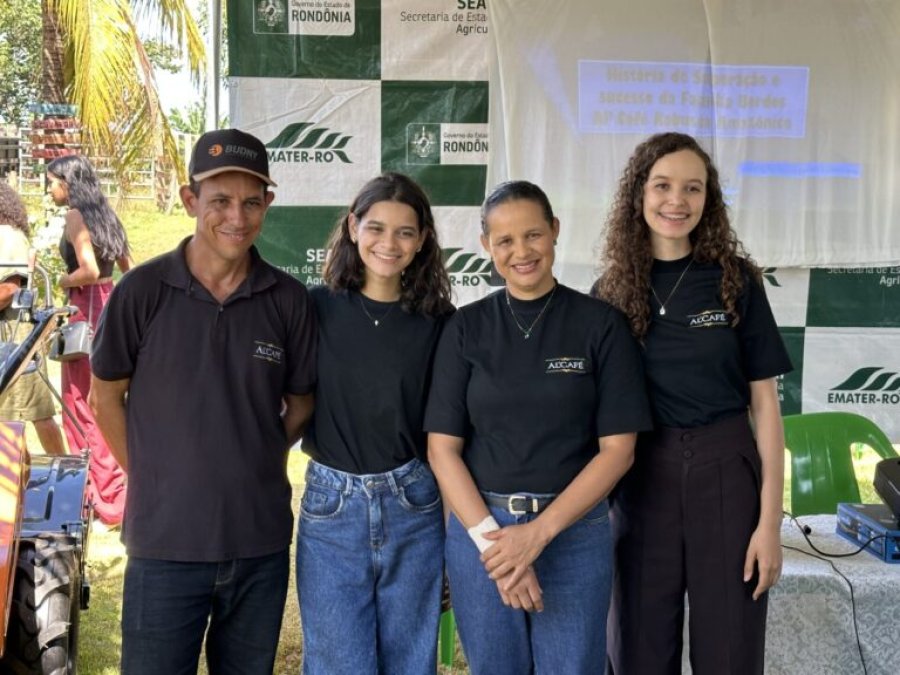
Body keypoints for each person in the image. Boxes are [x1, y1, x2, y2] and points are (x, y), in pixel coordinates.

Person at [88, 128, 317, 675]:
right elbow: (105, 399)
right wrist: (154, 473)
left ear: (268, 205)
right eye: (219, 200)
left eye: (251, 202)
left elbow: (302, 402)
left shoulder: (288, 300)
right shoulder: (140, 292)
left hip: (258, 544)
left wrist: (253, 449)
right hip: (164, 544)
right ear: (191, 201)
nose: (236, 217)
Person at [424, 180, 652, 674]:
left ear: (554, 232)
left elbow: (619, 450)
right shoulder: (464, 328)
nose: (521, 252)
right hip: (483, 535)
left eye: (533, 235)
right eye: (504, 241)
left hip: (573, 534)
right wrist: (498, 547)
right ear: (486, 246)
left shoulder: (600, 325)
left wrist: (538, 535)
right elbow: (442, 449)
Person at [594, 132, 792, 675]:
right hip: (639, 483)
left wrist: (769, 524)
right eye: (662, 186)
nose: (676, 201)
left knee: (729, 650)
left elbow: (767, 408)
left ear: (709, 200)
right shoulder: (608, 293)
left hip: (726, 473)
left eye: (692, 188)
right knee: (636, 648)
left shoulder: (735, 282)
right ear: (639, 194)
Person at [296, 172, 454, 674]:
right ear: (352, 227)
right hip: (331, 506)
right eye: (376, 228)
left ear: (423, 239)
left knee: (410, 661)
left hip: (414, 504)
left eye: (405, 232)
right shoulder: (315, 307)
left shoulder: (439, 321)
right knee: (338, 661)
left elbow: (447, 438)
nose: (389, 243)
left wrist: (454, 535)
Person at [46, 155, 130, 524]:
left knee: (82, 404)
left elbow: (89, 270)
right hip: (111, 307)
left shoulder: (76, 217)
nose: (50, 189)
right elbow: (130, 268)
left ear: (68, 182)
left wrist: (60, 280)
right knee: (110, 402)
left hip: (85, 313)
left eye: (53, 181)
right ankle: (119, 496)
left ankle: (99, 499)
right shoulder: (106, 215)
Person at [0, 181, 65, 455]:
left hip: (16, 335)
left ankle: (65, 472)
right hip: (12, 333)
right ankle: (16, 483)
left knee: (36, 411)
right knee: (8, 418)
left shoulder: (7, 236)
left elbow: (10, 288)